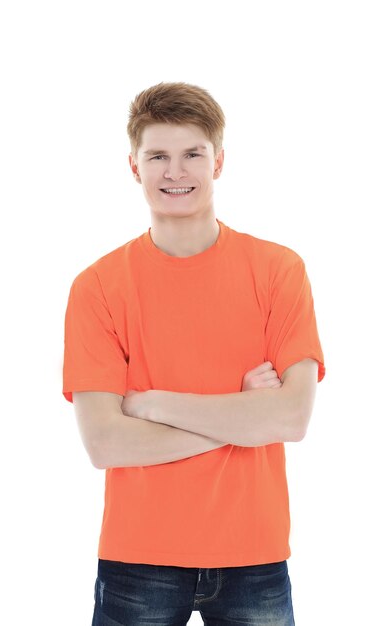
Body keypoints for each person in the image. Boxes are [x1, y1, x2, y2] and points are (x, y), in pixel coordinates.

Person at [62, 81, 325, 626]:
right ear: (134, 166)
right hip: (139, 558)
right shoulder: (98, 287)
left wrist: (152, 402)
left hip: (255, 553)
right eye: (158, 155)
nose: (174, 172)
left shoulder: (279, 272)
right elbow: (106, 442)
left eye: (192, 155)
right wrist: (241, 416)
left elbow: (291, 418)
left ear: (219, 162)